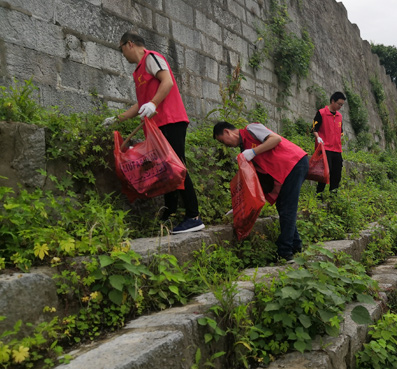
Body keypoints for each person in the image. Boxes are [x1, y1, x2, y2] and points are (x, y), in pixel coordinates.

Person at [103, 31, 204, 234]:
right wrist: (117, 119)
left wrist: (153, 103)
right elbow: (140, 105)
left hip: (171, 120)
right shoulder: (139, 72)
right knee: (166, 169)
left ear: (129, 44)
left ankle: (193, 216)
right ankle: (169, 214)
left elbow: (167, 82)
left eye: (122, 50)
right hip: (158, 126)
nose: (123, 56)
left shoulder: (152, 58)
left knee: (177, 166)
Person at [213, 121, 309, 260]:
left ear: (228, 132)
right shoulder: (244, 149)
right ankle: (295, 245)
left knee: (287, 208)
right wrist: (241, 205)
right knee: (283, 207)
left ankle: (285, 252)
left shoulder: (251, 129)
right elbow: (257, 181)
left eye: (223, 141)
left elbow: (276, 139)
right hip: (285, 171)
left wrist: (253, 151)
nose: (225, 145)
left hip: (294, 163)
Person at [311, 92, 346, 195]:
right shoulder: (321, 113)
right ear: (332, 101)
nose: (340, 107)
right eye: (339, 104)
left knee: (337, 172)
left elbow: (340, 130)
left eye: (342, 105)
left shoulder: (339, 116)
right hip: (325, 147)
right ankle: (319, 193)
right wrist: (318, 138)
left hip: (337, 148)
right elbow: (314, 128)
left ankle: (333, 195)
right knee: (325, 171)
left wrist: (342, 136)